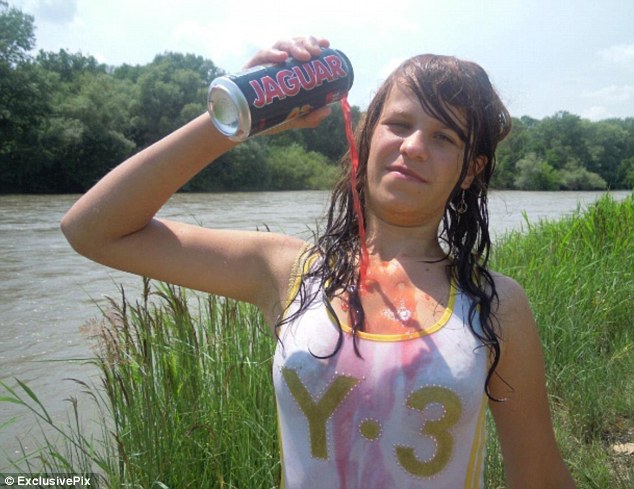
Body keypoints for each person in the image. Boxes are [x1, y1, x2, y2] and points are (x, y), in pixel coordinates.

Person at [62, 36, 576, 488]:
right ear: (367, 138)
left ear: (470, 170)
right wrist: (234, 117)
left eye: (445, 137)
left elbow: (540, 478)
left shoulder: (495, 304)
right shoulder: (288, 271)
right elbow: (93, 230)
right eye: (399, 124)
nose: (415, 146)